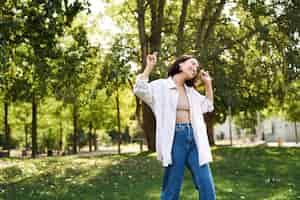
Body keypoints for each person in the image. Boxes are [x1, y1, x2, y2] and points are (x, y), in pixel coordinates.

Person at [133, 52, 216, 200]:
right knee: (172, 186)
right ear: (180, 65)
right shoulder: (161, 86)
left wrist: (208, 84)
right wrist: (149, 67)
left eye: (197, 66)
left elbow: (208, 105)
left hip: (194, 139)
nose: (195, 68)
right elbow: (140, 90)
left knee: (206, 182)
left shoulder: (191, 92)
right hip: (175, 139)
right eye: (192, 63)